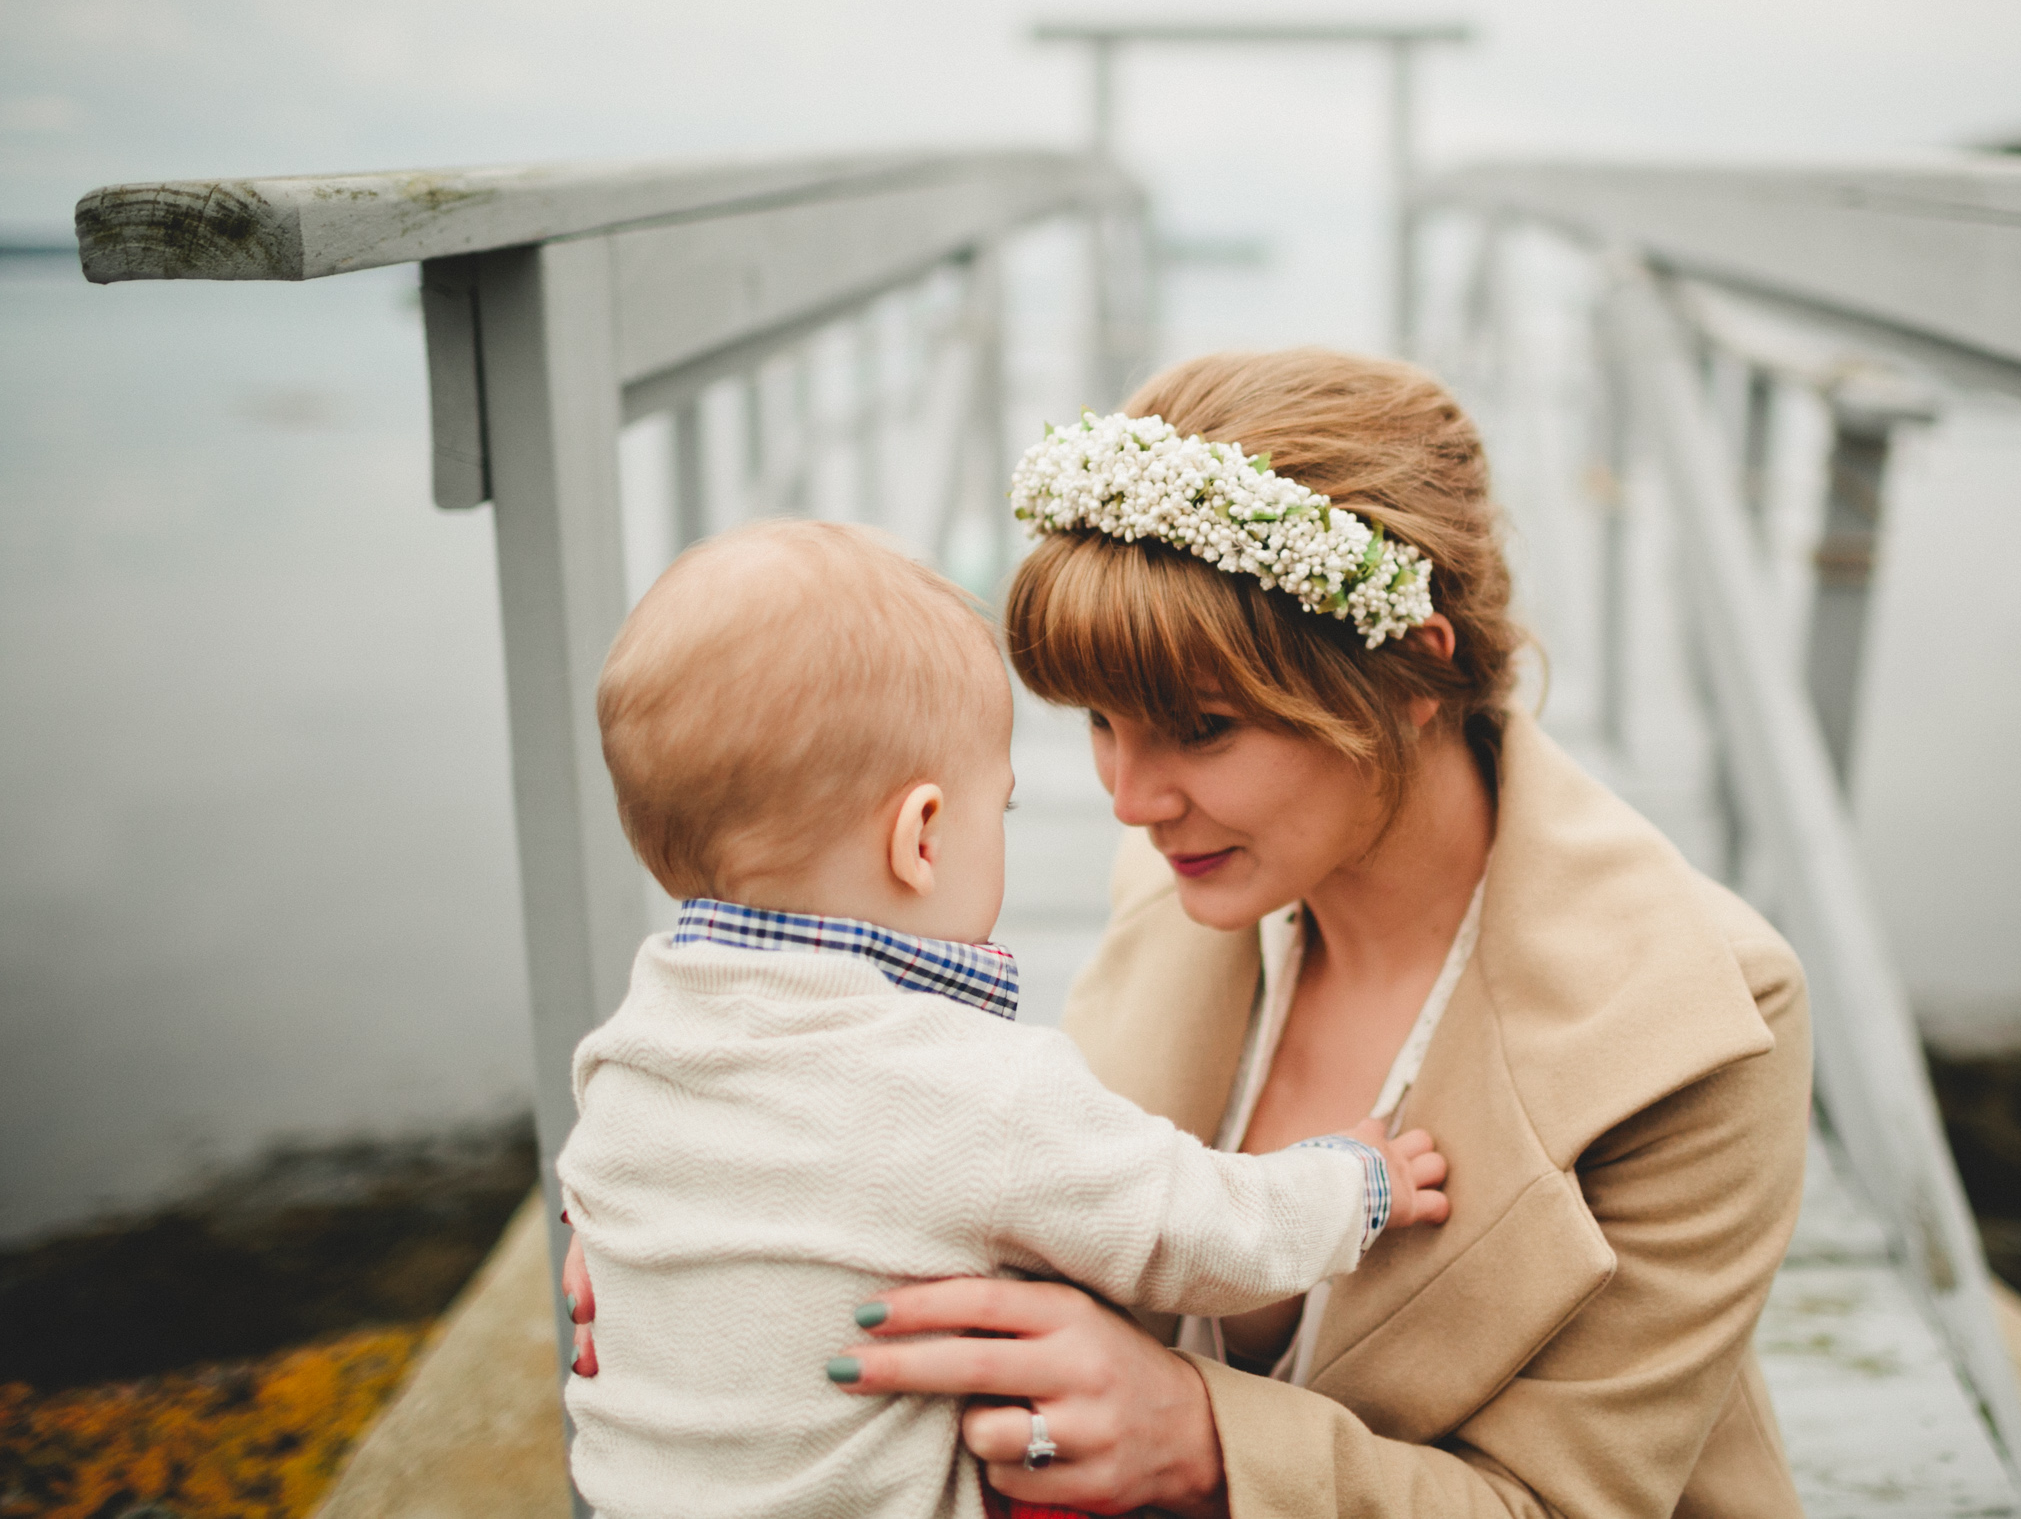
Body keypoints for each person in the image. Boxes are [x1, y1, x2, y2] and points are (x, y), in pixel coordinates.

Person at [569, 351, 1815, 1516]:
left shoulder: (1701, 1019)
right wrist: (722, 1286)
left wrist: (1206, 1436)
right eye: (1101, 721)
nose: (1130, 797)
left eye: (1200, 726)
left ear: (1413, 670)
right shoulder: (1174, 877)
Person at [556, 518, 1449, 1519]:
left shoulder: (635, 1043)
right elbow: (1188, 1222)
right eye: (1004, 808)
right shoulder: (972, 1082)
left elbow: (619, 1206)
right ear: (923, 834)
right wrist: (1356, 1183)